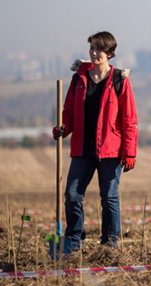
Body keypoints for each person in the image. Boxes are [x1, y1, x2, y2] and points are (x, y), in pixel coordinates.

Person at [53, 31, 139, 253]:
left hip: (111, 150)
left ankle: (110, 242)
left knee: (109, 197)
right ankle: (74, 239)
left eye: (99, 49)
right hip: (83, 147)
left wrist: (130, 152)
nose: (94, 53)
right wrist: (64, 128)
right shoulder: (79, 79)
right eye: (91, 48)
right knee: (72, 194)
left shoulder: (120, 80)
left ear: (110, 53)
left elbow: (129, 119)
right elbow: (69, 111)